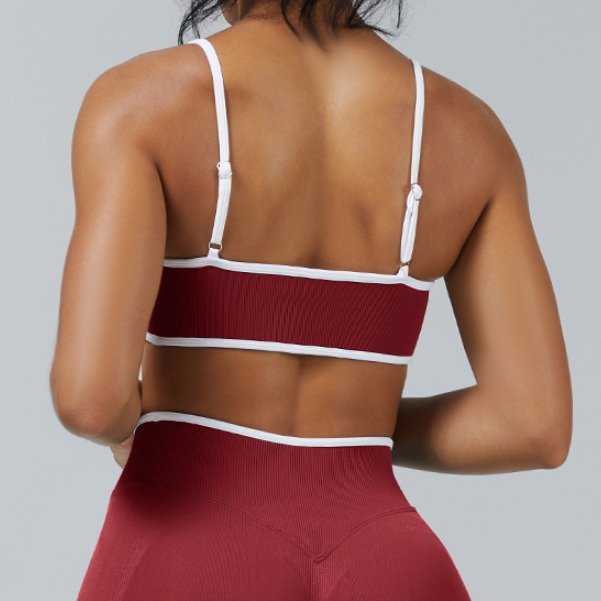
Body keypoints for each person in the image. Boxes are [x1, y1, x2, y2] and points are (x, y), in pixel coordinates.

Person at [49, 0, 573, 598]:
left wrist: (148, 425)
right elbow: (531, 424)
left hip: (190, 548)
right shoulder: (469, 132)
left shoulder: (143, 102)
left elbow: (92, 401)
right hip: (389, 561)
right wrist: (353, 426)